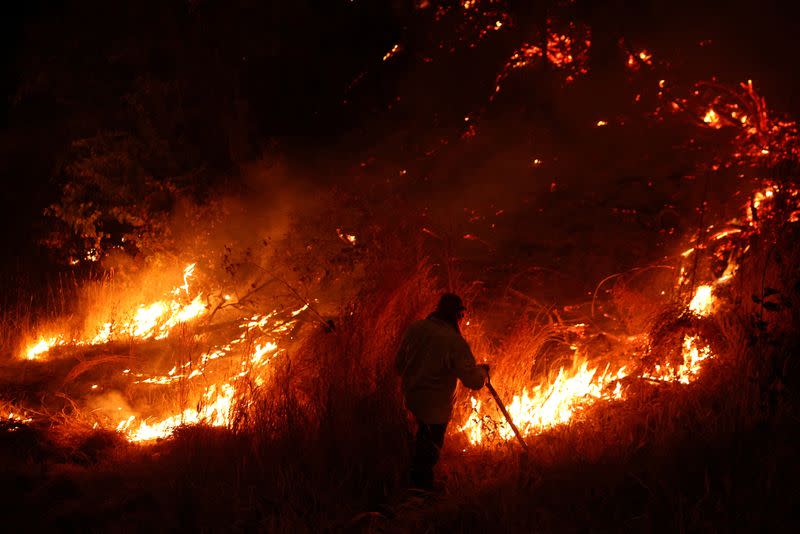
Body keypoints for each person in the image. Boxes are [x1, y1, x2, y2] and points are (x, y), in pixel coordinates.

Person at [395, 293, 488, 490]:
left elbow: (399, 365)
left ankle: (411, 487)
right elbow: (473, 381)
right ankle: (421, 497)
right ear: (458, 315)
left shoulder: (415, 329)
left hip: (409, 401)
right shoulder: (454, 342)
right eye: (461, 316)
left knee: (416, 446)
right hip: (435, 410)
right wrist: (483, 373)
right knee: (427, 455)